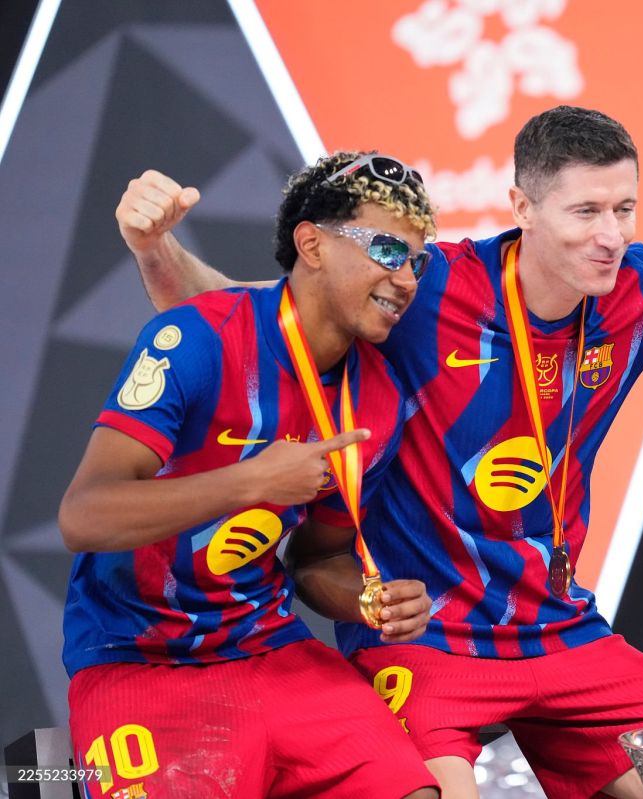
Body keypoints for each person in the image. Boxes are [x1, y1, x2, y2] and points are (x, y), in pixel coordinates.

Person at [116, 106, 643, 799]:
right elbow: (256, 318)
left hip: (561, 632)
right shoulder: (428, 289)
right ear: (523, 209)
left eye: (624, 208)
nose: (611, 234)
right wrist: (157, 249)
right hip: (432, 641)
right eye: (585, 212)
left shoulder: (639, 287)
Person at [60, 152, 440, 799]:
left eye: (417, 262)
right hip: (135, 656)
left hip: (269, 648)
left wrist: (368, 599)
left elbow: (317, 559)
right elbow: (83, 515)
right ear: (311, 244)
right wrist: (249, 482)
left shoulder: (378, 399)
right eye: (386, 250)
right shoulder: (196, 336)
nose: (405, 278)